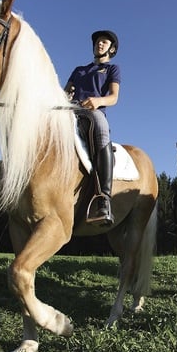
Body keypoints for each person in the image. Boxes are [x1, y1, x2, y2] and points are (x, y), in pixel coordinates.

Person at [64, 30, 121, 226]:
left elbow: (113, 97)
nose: (100, 43)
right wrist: (66, 97)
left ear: (111, 49)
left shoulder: (112, 69)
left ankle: (103, 198)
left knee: (101, 127)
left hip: (93, 113)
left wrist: (98, 101)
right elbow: (66, 91)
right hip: (71, 110)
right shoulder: (79, 70)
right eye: (98, 41)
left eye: (104, 42)